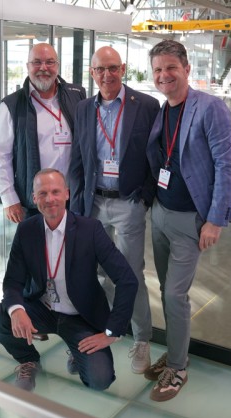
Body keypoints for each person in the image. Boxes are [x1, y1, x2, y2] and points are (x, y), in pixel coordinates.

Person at [0, 169, 138, 392]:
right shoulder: (27, 230)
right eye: (43, 193)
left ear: (67, 193)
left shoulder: (90, 230)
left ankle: (75, 350)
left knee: (100, 380)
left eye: (55, 192)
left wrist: (112, 332)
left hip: (80, 316)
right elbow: (13, 281)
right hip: (41, 309)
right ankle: (29, 360)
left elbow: (127, 280)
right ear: (34, 198)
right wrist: (16, 310)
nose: (50, 199)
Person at [144, 40, 231, 401]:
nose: (164, 75)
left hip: (190, 220)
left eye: (170, 67)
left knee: (175, 295)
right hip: (161, 213)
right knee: (166, 292)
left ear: (186, 69)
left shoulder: (210, 108)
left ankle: (178, 366)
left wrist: (215, 220)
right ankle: (174, 351)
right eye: (157, 70)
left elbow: (226, 165)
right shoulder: (162, 109)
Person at [68, 46, 160, 374]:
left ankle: (141, 339)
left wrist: (144, 196)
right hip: (92, 202)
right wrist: (77, 204)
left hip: (128, 202)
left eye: (112, 68)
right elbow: (78, 157)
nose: (106, 75)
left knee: (130, 273)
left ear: (122, 68)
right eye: (99, 70)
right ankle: (93, 333)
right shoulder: (83, 108)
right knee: (93, 273)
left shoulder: (146, 105)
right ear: (92, 73)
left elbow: (155, 155)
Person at [0, 43, 86, 223]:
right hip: (35, 201)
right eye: (37, 62)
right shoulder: (12, 105)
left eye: (50, 62)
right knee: (35, 241)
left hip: (73, 198)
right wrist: (9, 198)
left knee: (74, 241)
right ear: (27, 66)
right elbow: (1, 156)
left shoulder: (77, 96)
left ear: (57, 66)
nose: (43, 68)